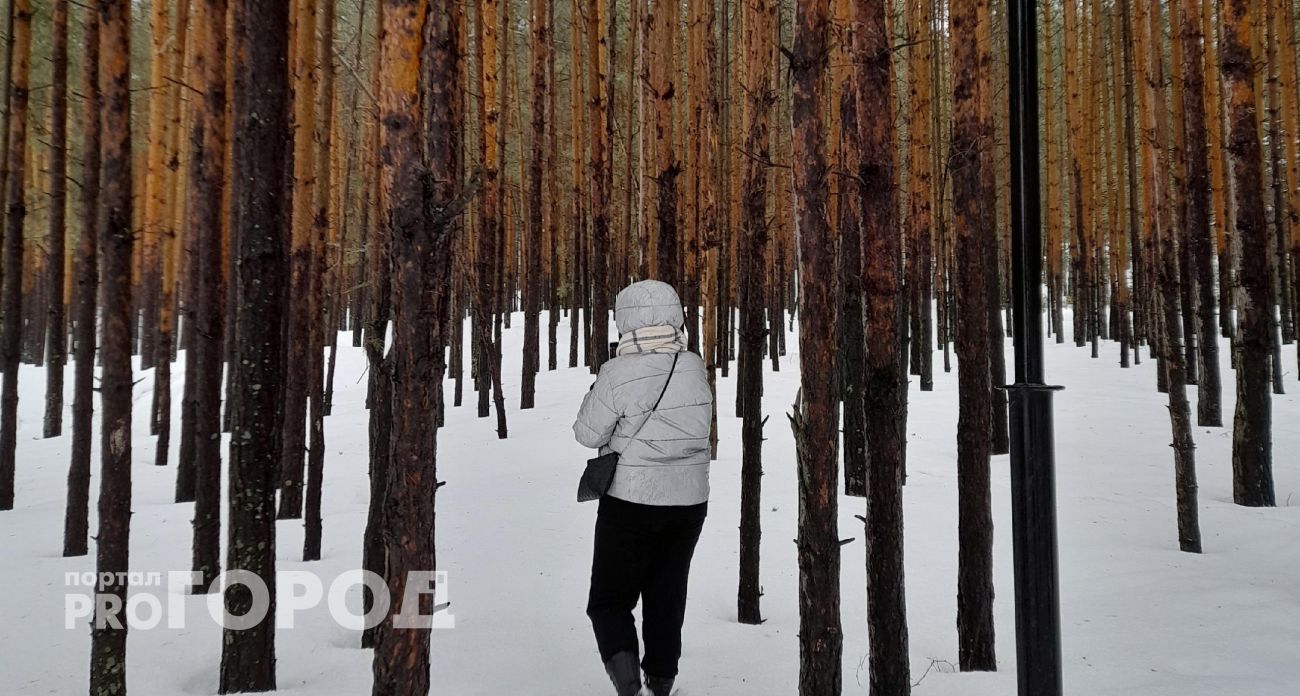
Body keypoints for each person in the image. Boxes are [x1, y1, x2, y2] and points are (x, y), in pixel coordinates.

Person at [573, 280, 713, 696]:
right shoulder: (693, 365)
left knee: (609, 600)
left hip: (631, 502)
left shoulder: (617, 372)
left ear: (624, 319)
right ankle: (663, 683)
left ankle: (630, 687)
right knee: (666, 596)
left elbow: (585, 433)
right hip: (689, 502)